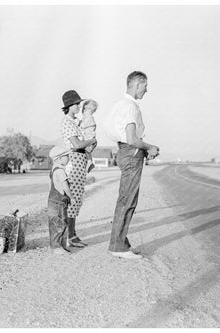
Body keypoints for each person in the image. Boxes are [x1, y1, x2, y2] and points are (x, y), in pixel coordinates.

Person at [105, 71, 159, 259]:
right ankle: (117, 246)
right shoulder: (131, 107)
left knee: (125, 199)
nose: (147, 89)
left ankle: (120, 242)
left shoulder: (119, 104)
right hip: (131, 152)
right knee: (128, 200)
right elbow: (132, 139)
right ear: (137, 85)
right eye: (145, 85)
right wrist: (149, 147)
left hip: (124, 152)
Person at [60, 90, 97, 248]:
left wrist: (90, 143)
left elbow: (85, 142)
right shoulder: (66, 122)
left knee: (77, 199)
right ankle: (70, 236)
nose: (78, 106)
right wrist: (92, 140)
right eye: (76, 104)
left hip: (80, 160)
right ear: (69, 105)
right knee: (72, 199)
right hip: (74, 160)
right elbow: (76, 144)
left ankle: (72, 234)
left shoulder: (76, 122)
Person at [47, 146, 75, 255]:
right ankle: (57, 247)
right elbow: (65, 186)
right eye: (66, 156)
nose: (68, 158)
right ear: (59, 159)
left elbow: (50, 185)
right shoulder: (60, 171)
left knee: (56, 223)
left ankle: (59, 245)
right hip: (59, 201)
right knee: (60, 223)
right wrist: (71, 197)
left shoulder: (53, 169)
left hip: (52, 200)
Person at [80, 99, 99, 173]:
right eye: (86, 109)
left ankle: (89, 162)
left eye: (89, 109)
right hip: (90, 138)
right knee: (87, 152)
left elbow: (85, 125)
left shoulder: (89, 117)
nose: (86, 111)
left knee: (86, 151)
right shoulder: (86, 117)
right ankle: (89, 162)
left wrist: (80, 125)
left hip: (90, 138)